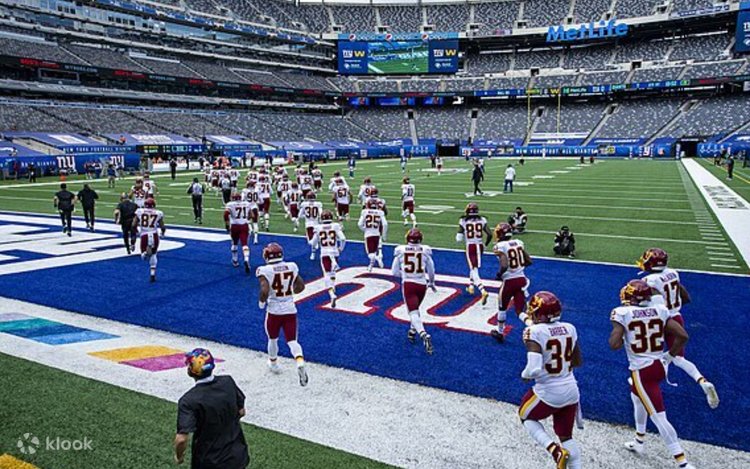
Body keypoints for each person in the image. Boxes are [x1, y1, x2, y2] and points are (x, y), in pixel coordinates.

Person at [609, 279, 695, 469]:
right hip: (659, 366)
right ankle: (639, 440)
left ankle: (682, 462)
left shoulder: (623, 313)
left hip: (642, 370)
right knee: (637, 399)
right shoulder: (660, 310)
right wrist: (669, 356)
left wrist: (621, 333)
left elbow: (614, 345)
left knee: (658, 416)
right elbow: (683, 336)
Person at [637, 248, 719, 408]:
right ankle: (702, 381)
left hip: (662, 319)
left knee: (647, 354)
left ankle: (644, 385)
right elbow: (684, 295)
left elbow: (654, 303)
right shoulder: (673, 273)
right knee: (678, 358)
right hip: (676, 317)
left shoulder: (650, 280)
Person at [519, 291, 583, 469]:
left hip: (548, 391)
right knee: (566, 436)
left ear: (541, 315)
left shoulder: (534, 331)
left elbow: (533, 369)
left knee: (526, 416)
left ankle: (555, 451)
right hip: (572, 389)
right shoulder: (570, 328)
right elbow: (577, 361)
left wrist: (524, 375)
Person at [175, 348, 249, 469]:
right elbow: (241, 411)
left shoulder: (188, 401)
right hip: (237, 455)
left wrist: (179, 456)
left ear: (191, 370)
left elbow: (181, 439)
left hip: (210, 461)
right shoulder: (228, 382)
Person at [256, 243, 308, 385]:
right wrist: (289, 294)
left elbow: (265, 290)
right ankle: (299, 361)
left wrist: (261, 303)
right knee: (292, 341)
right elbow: (301, 286)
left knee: (273, 339)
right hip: (290, 309)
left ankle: (273, 364)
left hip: (274, 310)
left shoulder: (264, 270)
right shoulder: (292, 266)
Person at [391, 228, 436, 355]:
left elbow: (394, 272)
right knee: (416, 309)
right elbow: (431, 269)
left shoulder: (400, 250)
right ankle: (412, 331)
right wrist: (432, 282)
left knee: (413, 312)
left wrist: (405, 275)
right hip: (422, 284)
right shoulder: (425, 250)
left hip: (409, 284)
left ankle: (423, 334)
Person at [491, 223, 533, 343]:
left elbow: (504, 265)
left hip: (509, 281)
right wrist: (518, 269)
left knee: (502, 308)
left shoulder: (500, 246)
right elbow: (529, 261)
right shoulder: (518, 243)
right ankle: (533, 326)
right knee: (520, 311)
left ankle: (500, 332)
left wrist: (499, 274)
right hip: (521, 279)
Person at [456, 203, 492, 303]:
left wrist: (461, 234)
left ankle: (482, 290)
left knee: (473, 269)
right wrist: (485, 244)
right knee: (473, 267)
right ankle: (471, 286)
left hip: (470, 246)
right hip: (479, 245)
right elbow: (489, 234)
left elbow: (459, 238)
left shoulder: (463, 220)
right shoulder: (482, 220)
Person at [311, 210, 346, 307]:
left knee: (326, 274)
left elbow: (313, 243)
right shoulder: (335, 226)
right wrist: (341, 248)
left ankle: (331, 294)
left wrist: (312, 242)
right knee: (332, 273)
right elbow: (343, 238)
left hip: (325, 253)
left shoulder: (318, 228)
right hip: (334, 252)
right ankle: (333, 286)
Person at [132, 198, 165, 283]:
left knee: (143, 256)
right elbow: (162, 226)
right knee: (154, 254)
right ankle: (152, 273)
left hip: (144, 235)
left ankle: (145, 253)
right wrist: (163, 232)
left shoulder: (140, 211)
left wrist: (136, 231)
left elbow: (133, 224)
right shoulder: (158, 213)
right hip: (154, 234)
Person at [224, 193, 252, 273]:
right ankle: (246, 259)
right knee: (245, 244)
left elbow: (226, 214)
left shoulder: (230, 204)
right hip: (244, 225)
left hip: (235, 225)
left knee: (234, 243)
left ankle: (235, 260)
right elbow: (251, 215)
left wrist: (227, 224)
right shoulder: (246, 204)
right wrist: (246, 219)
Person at [358, 199, 388, 272]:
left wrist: (364, 229)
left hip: (368, 234)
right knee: (374, 251)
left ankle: (377, 258)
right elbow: (385, 224)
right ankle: (370, 266)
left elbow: (359, 224)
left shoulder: (365, 212)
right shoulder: (380, 212)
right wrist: (384, 235)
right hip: (377, 234)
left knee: (370, 254)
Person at [300, 192, 322, 260]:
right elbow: (321, 214)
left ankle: (313, 253)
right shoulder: (318, 204)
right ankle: (316, 247)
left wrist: (306, 216)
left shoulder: (304, 204)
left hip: (308, 224)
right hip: (316, 224)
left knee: (311, 242)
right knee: (315, 239)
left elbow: (300, 215)